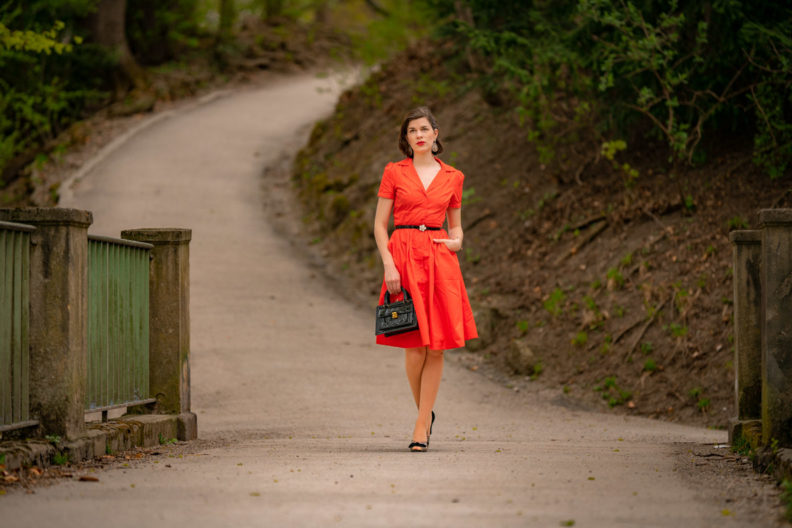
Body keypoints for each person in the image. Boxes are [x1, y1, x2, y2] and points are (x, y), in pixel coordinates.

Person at [373, 106, 478, 452]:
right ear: (406, 140)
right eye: (411, 131)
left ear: (436, 134)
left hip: (439, 257)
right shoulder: (394, 172)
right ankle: (426, 412)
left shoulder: (454, 177)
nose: (418, 135)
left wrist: (458, 240)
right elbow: (379, 225)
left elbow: (457, 224)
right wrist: (389, 264)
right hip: (403, 253)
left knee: (437, 346)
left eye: (423, 129)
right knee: (414, 344)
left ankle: (421, 424)